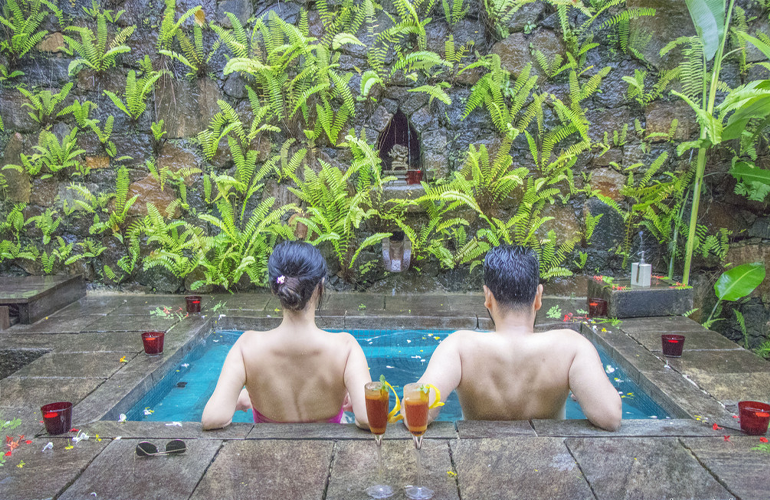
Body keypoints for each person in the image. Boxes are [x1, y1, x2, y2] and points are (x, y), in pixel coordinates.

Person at [414, 244, 622, 431]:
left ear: (488, 297)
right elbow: (610, 417)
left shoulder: (459, 348)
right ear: (538, 297)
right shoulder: (572, 347)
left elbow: (418, 413)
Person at [201, 241, 371, 430]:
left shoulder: (246, 347)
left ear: (275, 288)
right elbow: (368, 418)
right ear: (320, 286)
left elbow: (213, 418)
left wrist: (244, 397)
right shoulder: (346, 348)